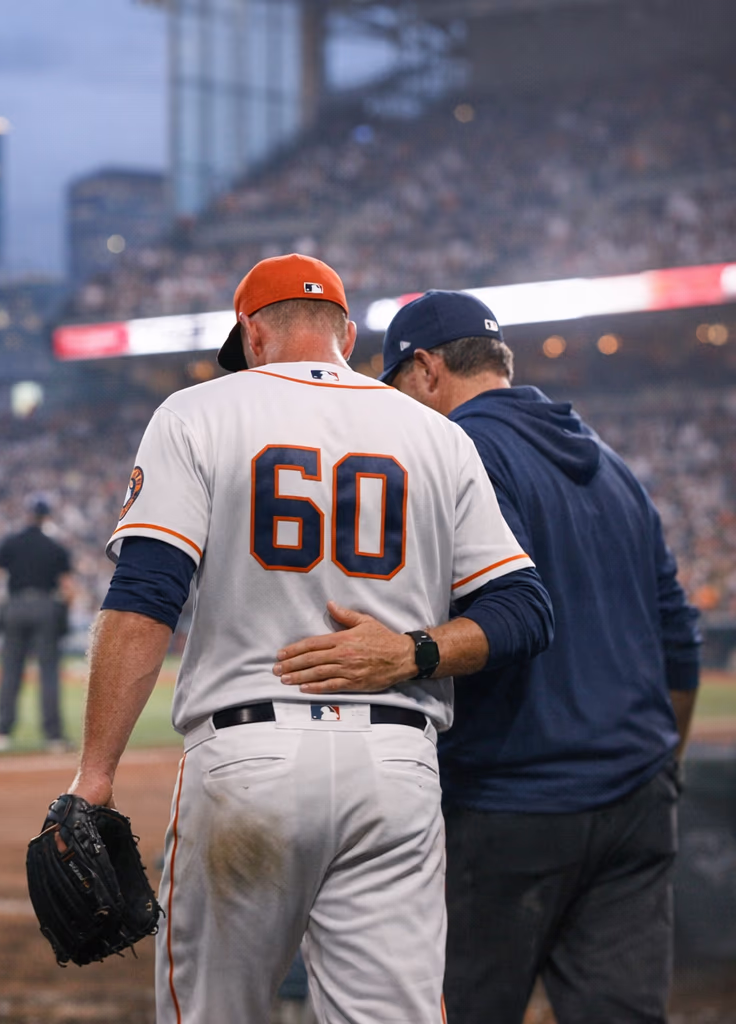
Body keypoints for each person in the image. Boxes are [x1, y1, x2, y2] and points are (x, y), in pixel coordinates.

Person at [65, 254, 553, 1023]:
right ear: (349, 333)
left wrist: (94, 775)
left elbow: (146, 597)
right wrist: (414, 652)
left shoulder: (199, 411)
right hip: (396, 766)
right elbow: (524, 608)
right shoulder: (436, 435)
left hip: (250, 759)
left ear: (251, 333)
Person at [375, 291, 702, 1024]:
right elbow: (680, 640)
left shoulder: (457, 454)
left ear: (427, 370)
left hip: (507, 804)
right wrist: (659, 768)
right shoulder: (614, 465)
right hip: (636, 802)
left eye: (395, 387)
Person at [0, 496, 74, 753]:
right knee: (48, 673)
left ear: (28, 515)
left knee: (10, 671)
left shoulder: (11, 542)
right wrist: (62, 614)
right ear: (46, 517)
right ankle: (53, 737)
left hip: (15, 607)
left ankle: (1, 733)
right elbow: (68, 589)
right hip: (45, 606)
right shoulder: (55, 546)